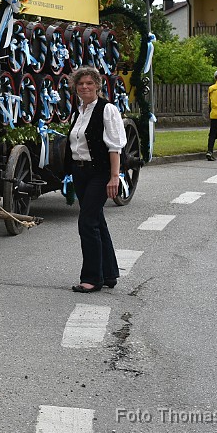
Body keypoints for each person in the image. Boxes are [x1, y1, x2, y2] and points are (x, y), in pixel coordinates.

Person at [65, 66, 127, 293]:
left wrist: (114, 177)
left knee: (87, 222)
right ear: (75, 87)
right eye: (80, 84)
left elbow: (115, 146)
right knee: (97, 221)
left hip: (100, 173)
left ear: (98, 86)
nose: (84, 87)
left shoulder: (107, 109)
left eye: (89, 83)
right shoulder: (79, 111)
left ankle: (92, 278)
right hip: (81, 173)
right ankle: (109, 273)